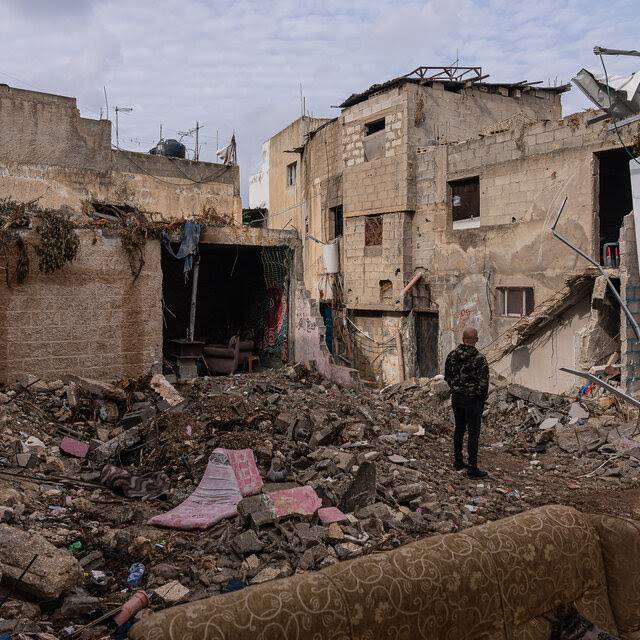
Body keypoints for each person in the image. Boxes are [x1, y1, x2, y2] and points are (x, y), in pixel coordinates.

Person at [444, 327, 489, 478]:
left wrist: (456, 389)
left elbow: (447, 377)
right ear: (476, 340)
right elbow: (483, 384)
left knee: (459, 429)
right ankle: (472, 468)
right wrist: (481, 400)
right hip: (473, 401)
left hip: (457, 398)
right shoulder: (480, 359)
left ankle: (458, 462)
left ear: (463, 339)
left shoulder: (452, 356)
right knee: (473, 434)